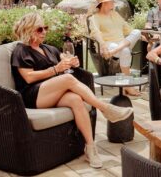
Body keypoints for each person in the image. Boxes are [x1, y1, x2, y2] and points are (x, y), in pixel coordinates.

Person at [11, 12, 133, 169]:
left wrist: (72, 62)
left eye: (45, 28)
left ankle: (90, 148)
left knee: (76, 100)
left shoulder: (49, 49)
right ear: (28, 30)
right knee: (67, 80)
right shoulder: (21, 50)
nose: (44, 32)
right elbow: (29, 77)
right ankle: (105, 109)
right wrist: (56, 69)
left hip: (52, 93)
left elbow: (64, 59)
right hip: (33, 96)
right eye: (39, 29)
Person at [89, 0, 141, 96]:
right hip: (109, 45)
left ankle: (115, 51)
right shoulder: (95, 18)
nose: (113, 3)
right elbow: (96, 33)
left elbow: (128, 30)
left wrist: (144, 38)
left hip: (117, 47)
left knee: (137, 31)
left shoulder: (115, 14)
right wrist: (103, 45)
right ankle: (128, 86)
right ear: (104, 3)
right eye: (111, 1)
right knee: (125, 51)